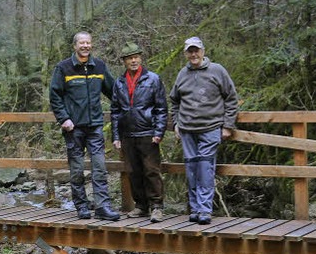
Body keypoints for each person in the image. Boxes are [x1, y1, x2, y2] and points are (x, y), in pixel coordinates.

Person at [49, 31, 120, 221]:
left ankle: (103, 206)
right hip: (73, 128)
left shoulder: (99, 66)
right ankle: (81, 206)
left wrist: (130, 106)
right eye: (82, 43)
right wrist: (64, 118)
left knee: (99, 167)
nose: (85, 46)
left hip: (95, 126)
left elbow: (113, 92)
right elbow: (55, 95)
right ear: (75, 46)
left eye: (88, 42)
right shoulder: (63, 68)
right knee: (77, 169)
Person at [169, 36, 239, 225]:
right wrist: (176, 123)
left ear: (203, 51)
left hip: (210, 128)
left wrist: (228, 125)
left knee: (205, 168)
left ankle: (204, 209)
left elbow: (231, 99)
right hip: (187, 130)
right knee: (191, 169)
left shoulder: (217, 71)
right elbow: (174, 101)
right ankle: (195, 208)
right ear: (185, 53)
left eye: (196, 50)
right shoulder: (182, 74)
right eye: (190, 51)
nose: (194, 54)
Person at [111, 42, 168, 223]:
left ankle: (157, 207)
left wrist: (159, 131)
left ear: (140, 58)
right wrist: (116, 136)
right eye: (129, 58)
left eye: (136, 57)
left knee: (151, 171)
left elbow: (161, 108)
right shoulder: (119, 83)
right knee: (133, 172)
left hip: (148, 132)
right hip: (128, 134)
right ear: (124, 61)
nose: (133, 60)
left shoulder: (153, 79)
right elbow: (115, 111)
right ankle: (141, 206)